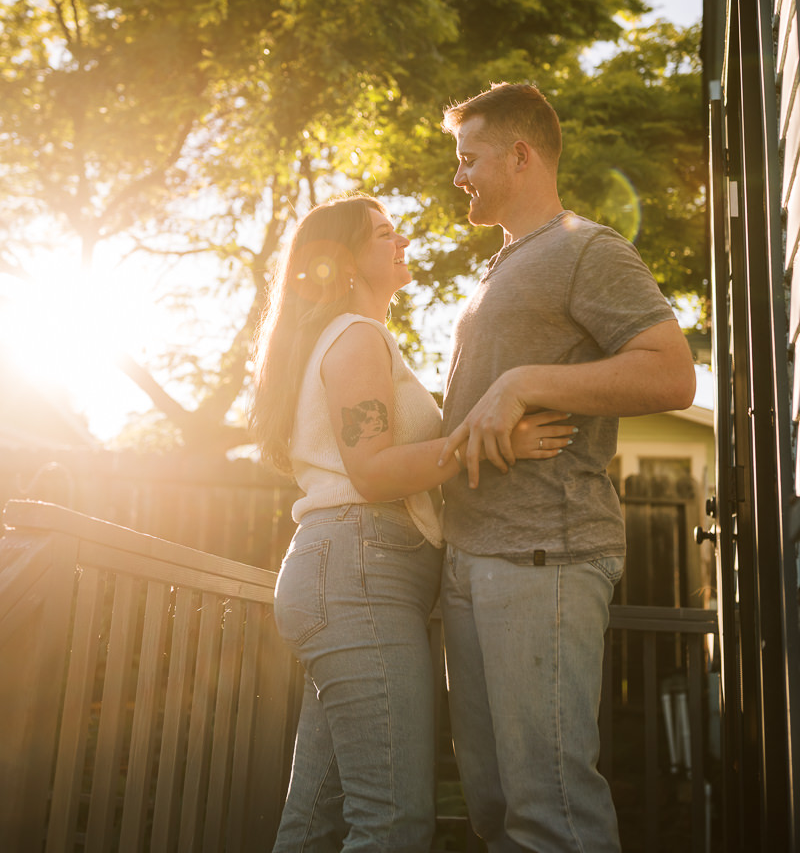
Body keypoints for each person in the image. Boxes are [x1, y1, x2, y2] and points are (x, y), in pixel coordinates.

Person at [250, 193, 575, 852]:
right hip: (357, 576)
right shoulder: (356, 336)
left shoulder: (350, 338)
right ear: (344, 263)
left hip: (345, 575)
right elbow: (372, 472)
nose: (401, 241)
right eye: (382, 234)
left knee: (315, 821)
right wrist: (494, 441)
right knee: (392, 821)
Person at [436, 83, 697, 853]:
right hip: (472, 556)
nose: (459, 177)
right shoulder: (500, 267)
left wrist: (524, 383)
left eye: (468, 158)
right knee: (491, 808)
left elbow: (671, 374)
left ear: (520, 155)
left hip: (542, 554)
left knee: (550, 811)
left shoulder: (589, 249)